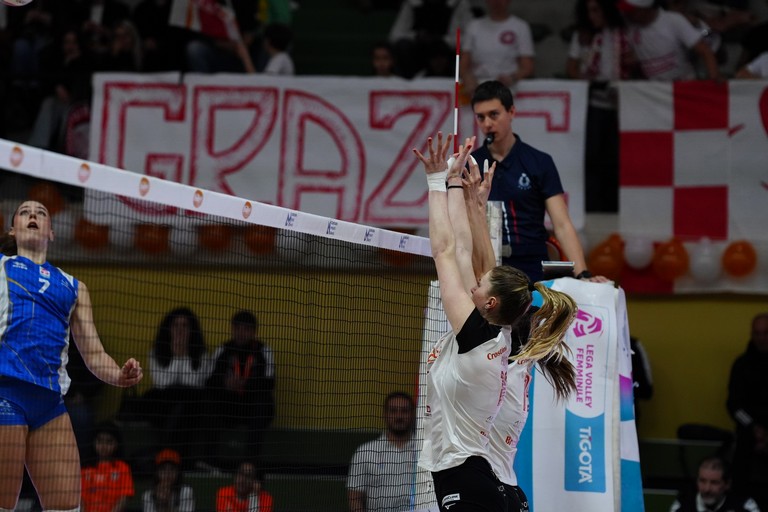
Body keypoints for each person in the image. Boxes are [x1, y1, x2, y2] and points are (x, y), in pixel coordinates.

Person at [412, 133, 578, 511]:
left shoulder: (481, 338)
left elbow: (448, 251)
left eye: (481, 285)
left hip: (473, 483)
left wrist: (442, 181)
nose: (474, 282)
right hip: (490, 484)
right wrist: (469, 200)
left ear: (491, 302)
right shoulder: (498, 337)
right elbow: (471, 255)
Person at [0, 200, 143, 511]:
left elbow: (94, 353)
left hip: (50, 404)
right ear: (13, 230)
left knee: (67, 507)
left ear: (51, 232)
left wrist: (119, 375)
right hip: (5, 393)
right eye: (24, 212)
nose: (33, 215)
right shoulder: (1, 267)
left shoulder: (75, 288)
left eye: (41, 213)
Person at [468, 80, 608, 283]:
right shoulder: (469, 165)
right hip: (485, 269)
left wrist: (583, 273)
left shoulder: (539, 162)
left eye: (494, 114)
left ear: (512, 112)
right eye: (481, 117)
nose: (487, 123)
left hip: (532, 268)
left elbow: (562, 224)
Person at [566, 0, 642, 212]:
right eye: (588, 11)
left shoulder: (623, 33)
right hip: (593, 103)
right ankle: (593, 206)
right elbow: (571, 67)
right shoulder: (582, 36)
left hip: (621, 102)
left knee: (616, 159)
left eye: (596, 10)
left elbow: (637, 63)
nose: (592, 15)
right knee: (592, 159)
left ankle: (614, 207)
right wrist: (586, 78)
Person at [141, 307, 212, 466]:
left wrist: (183, 354)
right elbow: (162, 383)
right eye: (176, 326)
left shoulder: (202, 354)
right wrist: (175, 356)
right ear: (169, 328)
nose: (180, 330)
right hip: (165, 402)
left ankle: (166, 451)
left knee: (185, 405)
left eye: (185, 326)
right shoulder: (156, 353)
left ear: (192, 330)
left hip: (191, 403)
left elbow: (194, 384)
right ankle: (177, 455)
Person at [205, 310, 275, 468]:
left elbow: (269, 383)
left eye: (246, 329)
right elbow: (209, 381)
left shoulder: (264, 351)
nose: (241, 333)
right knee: (208, 401)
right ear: (233, 329)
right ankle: (209, 460)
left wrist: (245, 384)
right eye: (238, 328)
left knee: (264, 403)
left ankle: (250, 462)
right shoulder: (223, 349)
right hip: (230, 407)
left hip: (252, 407)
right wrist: (226, 384)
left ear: (253, 332)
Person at [347, 392, 418, 512]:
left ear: (413, 415)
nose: (399, 416)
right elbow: (355, 497)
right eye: (393, 411)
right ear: (385, 414)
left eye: (404, 411)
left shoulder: (425, 451)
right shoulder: (365, 452)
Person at [619, 0, 721, 81]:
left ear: (644, 9)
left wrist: (713, 81)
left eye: (631, 11)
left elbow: (705, 50)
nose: (626, 14)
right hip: (655, 92)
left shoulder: (673, 21)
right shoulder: (630, 26)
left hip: (684, 85)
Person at [727, 312, 768, 507]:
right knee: (740, 492)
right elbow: (733, 405)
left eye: (766, 333)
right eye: (757, 333)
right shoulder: (741, 365)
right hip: (746, 437)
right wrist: (754, 428)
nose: (761, 338)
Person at [460, 0, 535, 98]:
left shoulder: (520, 27)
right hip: (478, 88)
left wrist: (512, 78)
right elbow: (463, 64)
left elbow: (527, 67)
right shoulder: (474, 26)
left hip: (508, 89)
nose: (497, 2)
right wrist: (467, 78)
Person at [388, 0, 473, 79]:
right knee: (403, 46)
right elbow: (394, 36)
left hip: (448, 52)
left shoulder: (459, 3)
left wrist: (443, 39)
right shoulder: (412, 3)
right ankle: (407, 85)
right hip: (419, 52)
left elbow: (470, 37)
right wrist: (416, 36)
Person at [669, 455, 761, 512]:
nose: (707, 489)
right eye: (702, 481)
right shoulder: (682, 505)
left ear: (727, 484)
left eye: (714, 483)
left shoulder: (744, 506)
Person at [81, 421, 135, 512]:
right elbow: (80, 499)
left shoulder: (122, 468)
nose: (103, 446)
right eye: (100, 441)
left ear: (117, 444)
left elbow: (124, 498)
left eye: (109, 442)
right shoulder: (85, 468)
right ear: (94, 442)